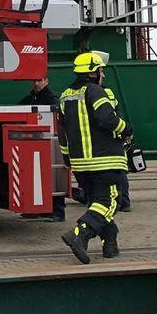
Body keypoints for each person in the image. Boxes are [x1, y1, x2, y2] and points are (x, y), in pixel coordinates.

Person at [57, 52, 133, 263]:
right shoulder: (96, 91)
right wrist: (126, 129)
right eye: (101, 71)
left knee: (96, 203)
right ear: (92, 72)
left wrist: (67, 158)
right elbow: (107, 118)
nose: (103, 75)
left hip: (80, 163)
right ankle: (80, 233)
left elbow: (61, 133)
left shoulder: (65, 96)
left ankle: (110, 242)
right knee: (110, 202)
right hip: (105, 159)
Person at [19, 77, 65, 222]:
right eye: (34, 81)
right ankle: (43, 210)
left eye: (39, 81)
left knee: (53, 176)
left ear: (47, 81)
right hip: (39, 141)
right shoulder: (32, 97)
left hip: (51, 141)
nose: (36, 84)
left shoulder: (51, 99)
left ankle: (58, 211)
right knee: (42, 176)